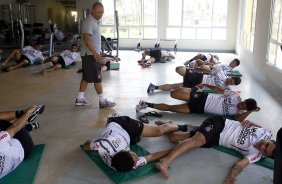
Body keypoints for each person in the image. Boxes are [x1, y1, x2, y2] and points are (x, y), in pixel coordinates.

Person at [154, 116, 275, 183]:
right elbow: (253, 125)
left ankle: (168, 125)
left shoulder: (256, 155)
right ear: (271, 140)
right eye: (267, 144)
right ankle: (165, 163)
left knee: (175, 138)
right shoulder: (266, 133)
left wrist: (231, 177)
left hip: (215, 140)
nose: (262, 146)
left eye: (265, 150)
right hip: (220, 124)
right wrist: (250, 122)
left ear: (265, 155)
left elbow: (240, 165)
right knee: (196, 141)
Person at [82, 114, 189, 172]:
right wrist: (177, 148)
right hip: (127, 138)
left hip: (120, 124)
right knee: (139, 139)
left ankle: (183, 126)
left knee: (158, 131)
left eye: (135, 156)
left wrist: (89, 143)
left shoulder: (104, 144)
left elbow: (86, 146)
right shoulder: (128, 165)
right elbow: (152, 157)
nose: (138, 158)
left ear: (125, 152)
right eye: (136, 160)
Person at [137, 85, 260, 122]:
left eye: (244, 107)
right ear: (243, 100)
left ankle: (146, 104)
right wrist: (206, 85)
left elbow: (239, 120)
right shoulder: (235, 96)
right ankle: (191, 89)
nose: (241, 105)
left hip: (199, 108)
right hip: (203, 98)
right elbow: (219, 90)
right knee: (173, 93)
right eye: (243, 103)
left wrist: (251, 111)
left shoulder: (238, 114)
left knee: (172, 109)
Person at [75, 2, 116, 108]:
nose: (101, 14)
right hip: (90, 55)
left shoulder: (95, 22)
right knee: (97, 78)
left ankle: (79, 98)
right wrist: (95, 54)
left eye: (102, 12)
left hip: (91, 54)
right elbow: (86, 38)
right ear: (92, 10)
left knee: (86, 78)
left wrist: (99, 54)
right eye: (99, 12)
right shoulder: (89, 21)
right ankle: (102, 101)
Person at [0, 104, 45, 179]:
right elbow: (15, 127)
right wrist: (28, 112)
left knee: (6, 140)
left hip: (24, 154)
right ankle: (25, 113)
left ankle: (27, 127)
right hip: (23, 141)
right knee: (10, 128)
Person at [147, 66, 241, 93]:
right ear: (231, 77)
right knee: (179, 69)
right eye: (232, 80)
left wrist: (236, 92)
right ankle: (155, 87)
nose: (230, 82)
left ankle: (154, 87)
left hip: (198, 86)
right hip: (199, 77)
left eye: (232, 83)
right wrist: (195, 69)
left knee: (175, 86)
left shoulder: (226, 88)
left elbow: (232, 94)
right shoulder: (221, 73)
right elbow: (208, 70)